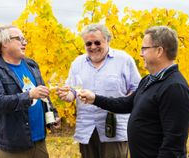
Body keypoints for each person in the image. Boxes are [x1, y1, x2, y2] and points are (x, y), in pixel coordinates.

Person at [78, 26, 189, 158]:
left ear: (159, 51)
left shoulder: (174, 88)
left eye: (144, 48)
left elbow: (173, 145)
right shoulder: (149, 80)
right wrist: (95, 98)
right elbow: (126, 103)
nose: (141, 53)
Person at [56, 23, 141, 158]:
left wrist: (124, 103)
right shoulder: (77, 63)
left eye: (97, 42)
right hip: (87, 129)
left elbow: (137, 90)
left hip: (115, 130)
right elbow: (72, 90)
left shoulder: (124, 60)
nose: (93, 47)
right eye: (88, 44)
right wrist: (67, 95)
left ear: (107, 40)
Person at [0, 25, 60, 158]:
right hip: (13, 146)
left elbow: (43, 94)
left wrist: (52, 114)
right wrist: (29, 95)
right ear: (4, 43)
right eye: (19, 39)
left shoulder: (31, 64)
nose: (24, 42)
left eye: (24, 39)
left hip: (39, 141)